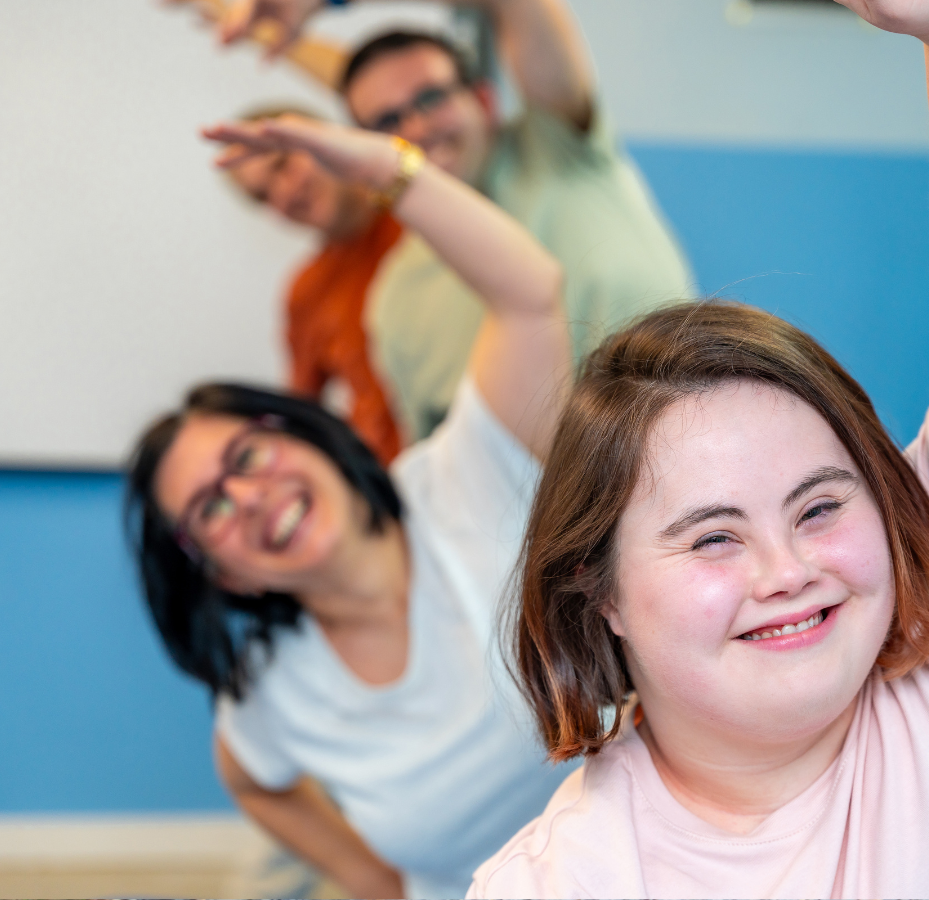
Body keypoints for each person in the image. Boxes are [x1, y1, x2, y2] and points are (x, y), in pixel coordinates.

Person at [469, 0, 929, 897]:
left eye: (819, 507)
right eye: (713, 538)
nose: (788, 569)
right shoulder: (560, 881)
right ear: (599, 591)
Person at [127, 116, 575, 899]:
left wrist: (387, 169)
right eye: (209, 510)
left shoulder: (468, 470)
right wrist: (375, 882)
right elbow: (254, 780)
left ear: (306, 436)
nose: (249, 498)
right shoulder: (269, 690)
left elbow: (530, 294)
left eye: (247, 457)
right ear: (222, 573)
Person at [194, 0, 695, 439]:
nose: (415, 127)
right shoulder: (395, 302)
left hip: (697, 445)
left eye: (431, 99)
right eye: (388, 122)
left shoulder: (558, 150)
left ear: (482, 98)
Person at [225, 106, 406, 463]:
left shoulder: (423, 212)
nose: (285, 194)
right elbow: (300, 416)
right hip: (396, 479)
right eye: (262, 196)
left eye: (282, 165)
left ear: (326, 140)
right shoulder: (307, 291)